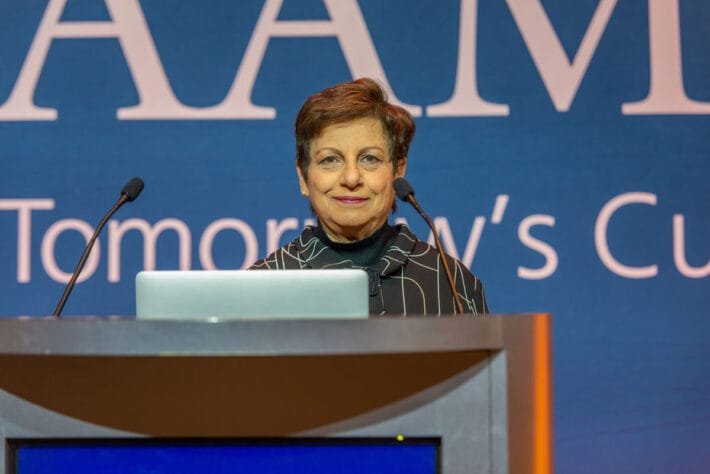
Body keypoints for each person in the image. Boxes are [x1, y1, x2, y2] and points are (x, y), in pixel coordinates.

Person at [250, 78, 488, 316]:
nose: (352, 178)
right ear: (303, 177)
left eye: (370, 159)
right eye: (330, 160)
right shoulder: (260, 288)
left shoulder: (451, 284)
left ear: (398, 171)